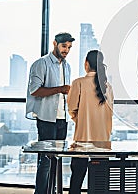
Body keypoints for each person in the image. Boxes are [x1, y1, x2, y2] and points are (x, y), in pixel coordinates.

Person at [25, 32, 75, 194]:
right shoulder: (41, 64)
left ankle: (52, 191)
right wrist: (60, 89)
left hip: (63, 119)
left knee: (57, 160)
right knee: (45, 160)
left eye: (69, 47)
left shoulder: (67, 66)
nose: (66, 50)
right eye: (64, 46)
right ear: (55, 44)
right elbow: (35, 90)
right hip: (47, 119)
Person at [67, 50, 114, 194]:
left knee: (76, 180)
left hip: (83, 140)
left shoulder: (78, 83)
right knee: (100, 183)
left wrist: (81, 122)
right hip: (103, 142)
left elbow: (72, 109)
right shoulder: (108, 87)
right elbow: (110, 113)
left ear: (86, 64)